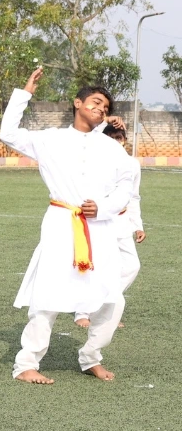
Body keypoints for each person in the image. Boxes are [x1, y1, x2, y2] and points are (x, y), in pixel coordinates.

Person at [0, 68, 136, 384]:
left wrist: (103, 208)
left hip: (99, 227)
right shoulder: (51, 139)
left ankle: (91, 357)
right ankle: (26, 364)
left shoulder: (112, 148)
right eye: (96, 102)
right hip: (61, 224)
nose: (101, 109)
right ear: (77, 103)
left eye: (106, 107)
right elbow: (8, 133)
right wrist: (24, 94)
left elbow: (125, 187)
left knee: (112, 298)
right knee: (48, 294)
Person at [76, 124, 143, 329]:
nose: (117, 142)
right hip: (99, 221)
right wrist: (105, 121)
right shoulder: (95, 162)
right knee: (95, 266)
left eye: (120, 138)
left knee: (132, 266)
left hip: (122, 222)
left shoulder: (132, 164)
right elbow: (87, 137)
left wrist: (137, 226)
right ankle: (82, 311)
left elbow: (134, 196)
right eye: (112, 138)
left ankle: (105, 306)